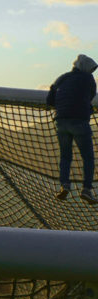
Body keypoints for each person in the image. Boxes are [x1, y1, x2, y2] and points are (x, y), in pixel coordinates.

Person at [46, 54, 98, 204]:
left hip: (61, 120)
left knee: (65, 156)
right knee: (88, 157)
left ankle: (65, 186)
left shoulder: (62, 78)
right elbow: (90, 97)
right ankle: (86, 190)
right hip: (79, 121)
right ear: (86, 68)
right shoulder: (88, 79)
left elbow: (50, 99)